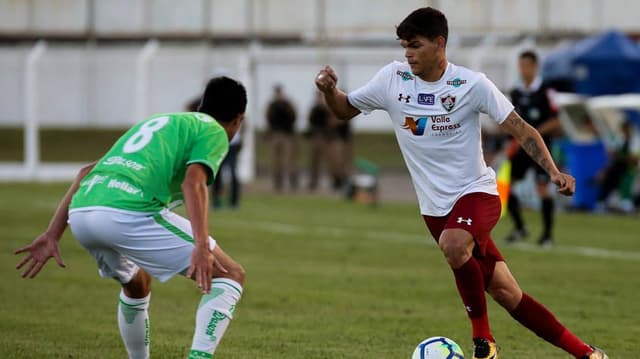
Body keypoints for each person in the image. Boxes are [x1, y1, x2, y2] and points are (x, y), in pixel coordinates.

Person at [314, 7, 607, 359]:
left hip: (477, 194)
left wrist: (553, 171)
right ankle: (588, 354)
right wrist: (330, 91)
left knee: (454, 246)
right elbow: (344, 110)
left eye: (415, 45)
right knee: (507, 294)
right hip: (434, 210)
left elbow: (521, 129)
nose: (408, 53)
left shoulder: (471, 84)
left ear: (440, 44)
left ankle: (484, 343)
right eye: (404, 46)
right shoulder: (392, 79)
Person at [15, 76, 247, 359]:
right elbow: (193, 182)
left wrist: (53, 234)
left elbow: (86, 172)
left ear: (200, 105)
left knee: (137, 284)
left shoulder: (163, 122)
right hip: (126, 212)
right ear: (238, 119)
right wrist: (200, 246)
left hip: (83, 213)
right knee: (230, 275)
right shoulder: (213, 131)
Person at [505, 50, 562, 246]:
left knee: (542, 189)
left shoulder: (547, 91)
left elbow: (556, 122)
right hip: (520, 149)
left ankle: (547, 235)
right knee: (505, 187)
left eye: (527, 66)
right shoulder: (516, 92)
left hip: (541, 149)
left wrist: (532, 134)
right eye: (520, 66)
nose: (523, 70)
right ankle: (520, 227)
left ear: (535, 67)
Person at [266, 84, 298, 192]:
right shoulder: (272, 105)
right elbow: (268, 118)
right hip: (276, 134)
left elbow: (293, 117)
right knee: (276, 161)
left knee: (288, 160)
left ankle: (292, 182)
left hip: (286, 135)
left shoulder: (287, 104)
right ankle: (278, 183)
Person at [307, 91, 334, 191]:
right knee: (314, 161)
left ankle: (331, 181)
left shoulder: (327, 109)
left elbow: (331, 121)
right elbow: (309, 120)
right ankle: (313, 181)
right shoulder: (314, 109)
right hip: (315, 136)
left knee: (328, 161)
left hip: (324, 137)